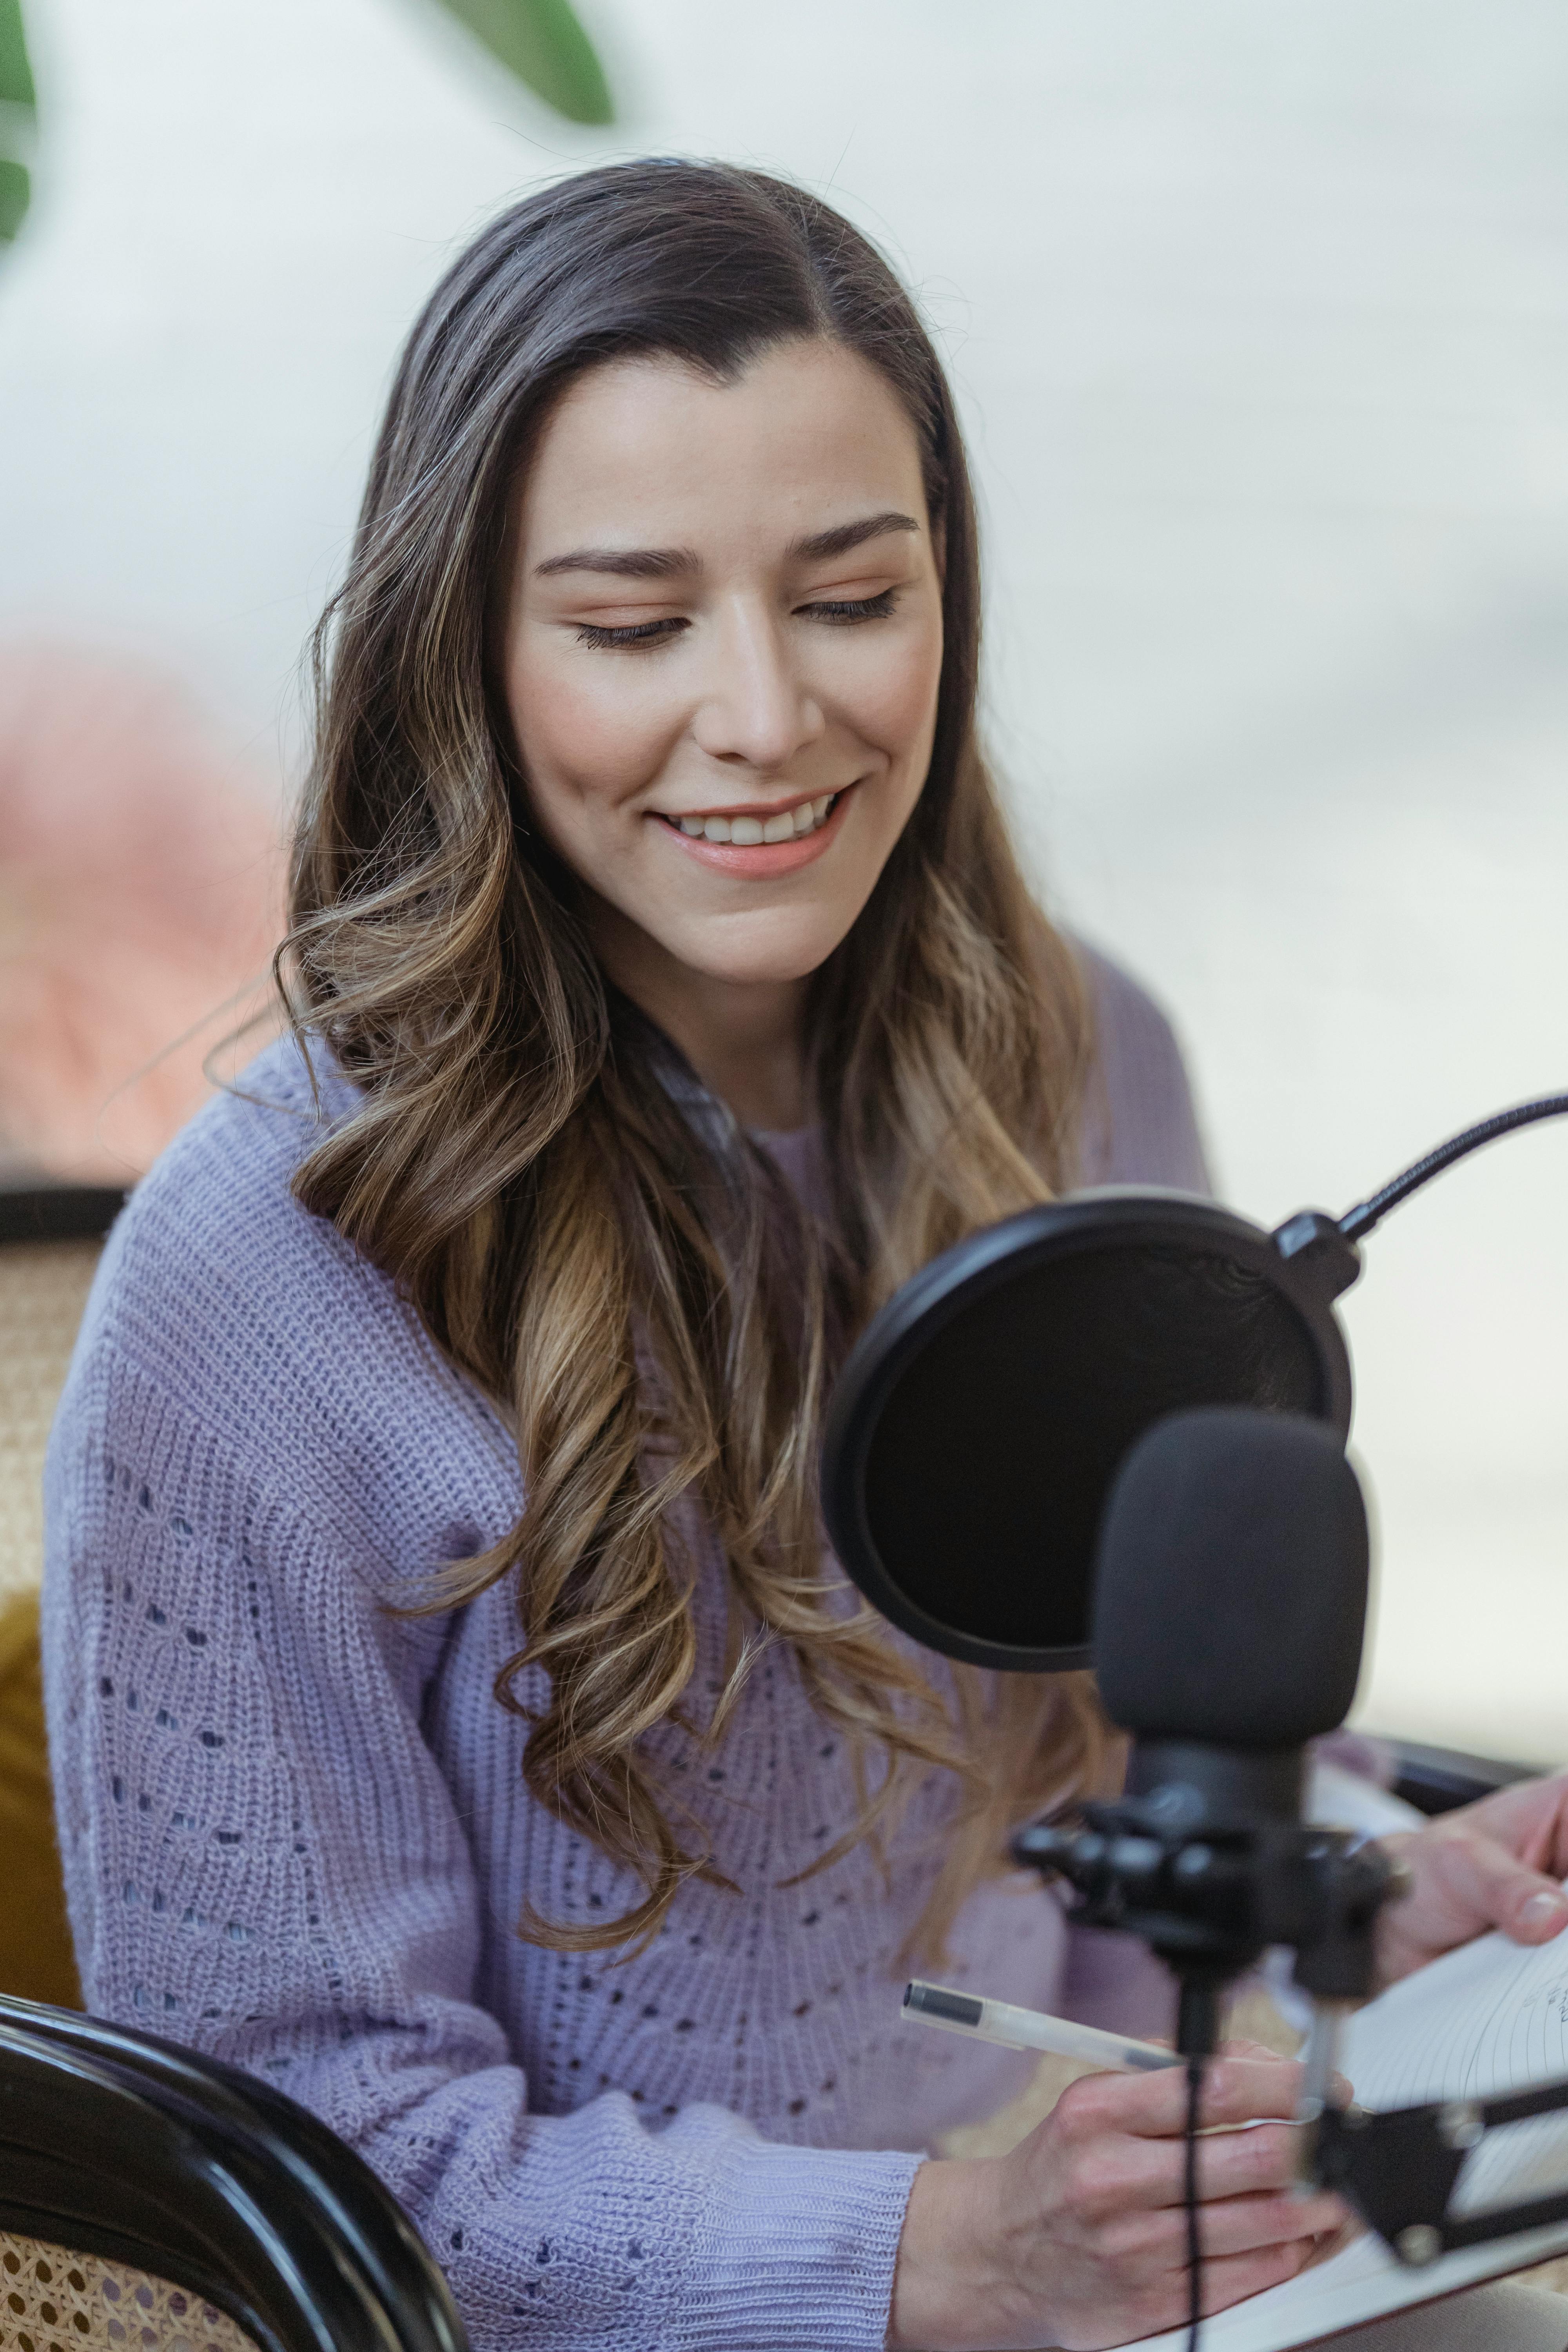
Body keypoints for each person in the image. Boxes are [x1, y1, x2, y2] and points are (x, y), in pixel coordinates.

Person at [42, 161, 1568, 2352]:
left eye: (850, 594)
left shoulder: (1081, 1058)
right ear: (461, 653)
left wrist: (1359, 1900)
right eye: (635, 624)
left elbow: (1114, 1791)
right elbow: (311, 2148)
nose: (763, 717)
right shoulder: (268, 1287)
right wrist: (938, 2257)